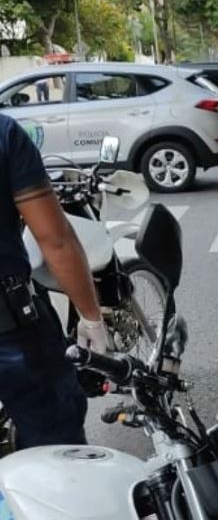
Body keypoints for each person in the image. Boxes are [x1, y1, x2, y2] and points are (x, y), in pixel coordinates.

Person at [0, 112, 107, 448]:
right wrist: (91, 317)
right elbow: (55, 239)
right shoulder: (5, 134)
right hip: (10, 332)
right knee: (56, 447)